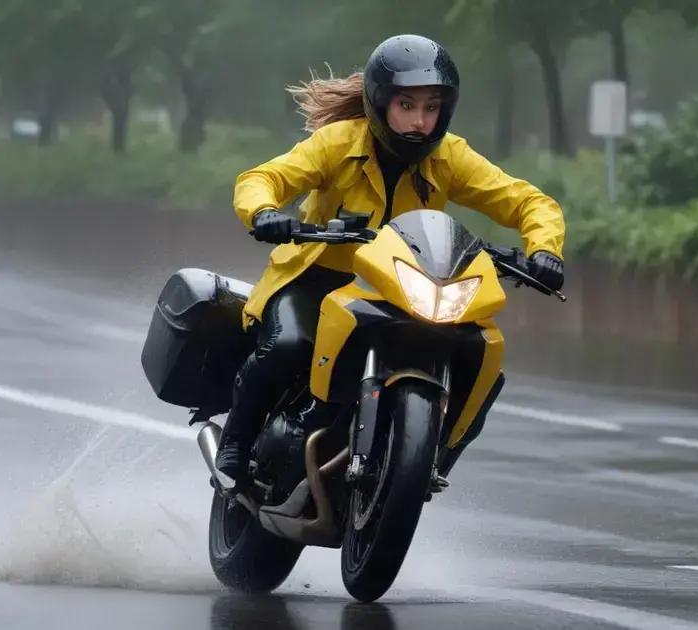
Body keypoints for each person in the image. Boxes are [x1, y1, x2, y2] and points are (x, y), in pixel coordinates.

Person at [216, 34, 566, 482]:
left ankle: (434, 456)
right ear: (381, 104)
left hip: (401, 287)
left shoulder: (450, 157)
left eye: (431, 107)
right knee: (286, 345)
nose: (420, 122)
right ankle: (234, 448)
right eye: (407, 105)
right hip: (318, 278)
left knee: (480, 359)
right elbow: (264, 177)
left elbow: (529, 202)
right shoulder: (338, 143)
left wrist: (545, 251)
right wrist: (264, 212)